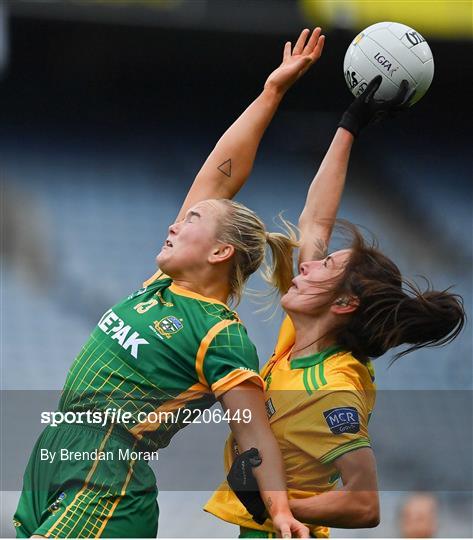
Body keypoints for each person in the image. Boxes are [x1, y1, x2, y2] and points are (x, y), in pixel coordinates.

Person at [13, 28, 326, 539]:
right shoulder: (162, 284)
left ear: (220, 251)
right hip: (56, 456)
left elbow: (253, 432)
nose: (175, 223)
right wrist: (271, 93)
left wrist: (281, 509)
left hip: (106, 483)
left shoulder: (220, 334)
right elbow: (217, 180)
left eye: (191, 220)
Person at [201, 70, 465, 537]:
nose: (308, 263)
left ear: (343, 303)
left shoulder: (333, 388)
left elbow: (364, 505)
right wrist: (351, 122)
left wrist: (278, 506)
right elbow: (317, 221)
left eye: (326, 266)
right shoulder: (301, 339)